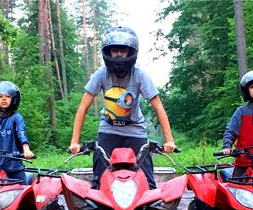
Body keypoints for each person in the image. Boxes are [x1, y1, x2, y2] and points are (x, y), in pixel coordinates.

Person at [68, 26, 176, 189]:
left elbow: (158, 107)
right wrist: (74, 142)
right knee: (99, 178)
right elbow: (83, 107)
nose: (118, 55)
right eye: (114, 50)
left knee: (147, 180)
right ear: (107, 52)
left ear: (131, 52)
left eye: (123, 51)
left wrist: (169, 140)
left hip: (135, 129)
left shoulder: (140, 75)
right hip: (108, 129)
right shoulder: (101, 74)